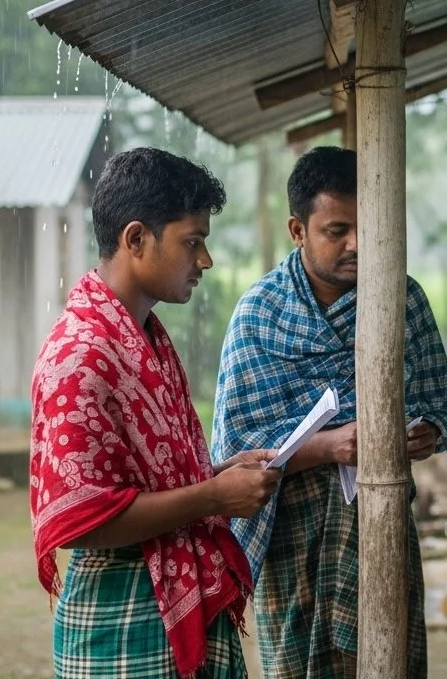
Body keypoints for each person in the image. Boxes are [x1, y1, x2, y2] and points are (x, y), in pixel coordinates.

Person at [29, 147, 282, 679]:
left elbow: (144, 481)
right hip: (120, 621)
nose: (205, 261)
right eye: (193, 242)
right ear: (137, 238)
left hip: (169, 611)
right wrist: (211, 496)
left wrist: (215, 475)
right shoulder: (81, 354)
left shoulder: (143, 338)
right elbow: (82, 520)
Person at [211, 145, 447, 678]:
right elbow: (232, 453)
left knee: (388, 660)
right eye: (336, 230)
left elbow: (442, 402)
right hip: (289, 538)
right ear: (297, 230)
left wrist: (428, 432)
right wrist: (327, 447)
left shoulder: (402, 300)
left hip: (379, 526)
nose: (356, 244)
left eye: (367, 228)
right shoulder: (259, 313)